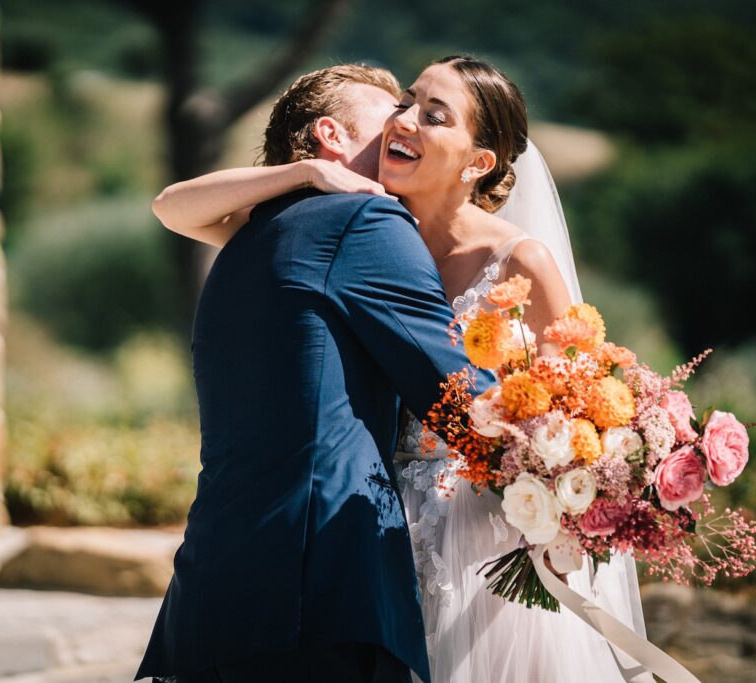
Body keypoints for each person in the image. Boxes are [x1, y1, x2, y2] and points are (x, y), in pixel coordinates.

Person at [151, 55, 654, 683]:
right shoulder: (353, 225)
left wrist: (571, 472)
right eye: (402, 104)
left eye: (427, 113)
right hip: (371, 526)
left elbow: (560, 399)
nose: (403, 122)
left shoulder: (504, 255)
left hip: (469, 526)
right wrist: (309, 172)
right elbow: (172, 206)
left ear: (478, 163)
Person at [136, 64, 494, 683]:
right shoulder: (365, 222)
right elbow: (455, 396)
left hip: (216, 581)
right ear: (331, 136)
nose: (403, 129)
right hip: (317, 581)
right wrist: (578, 444)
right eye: (391, 119)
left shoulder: (255, 233)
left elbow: (173, 206)